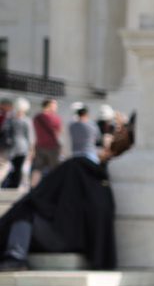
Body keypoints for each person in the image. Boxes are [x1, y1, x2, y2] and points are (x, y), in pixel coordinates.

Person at [0, 114, 133, 272]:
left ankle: (16, 258)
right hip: (82, 243)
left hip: (62, 239)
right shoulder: (99, 182)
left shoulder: (75, 167)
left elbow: (38, 198)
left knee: (24, 212)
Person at [2, 97, 33, 189]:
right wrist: (31, 149)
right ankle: (13, 185)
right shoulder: (26, 120)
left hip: (11, 147)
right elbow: (29, 136)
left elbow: (4, 130)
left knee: (10, 167)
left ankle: (10, 184)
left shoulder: (10, 119)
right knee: (17, 168)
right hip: (21, 147)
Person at [32, 97, 63, 182]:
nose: (56, 107)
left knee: (37, 169)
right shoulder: (55, 118)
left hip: (40, 146)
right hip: (52, 147)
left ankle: (33, 189)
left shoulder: (37, 117)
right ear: (50, 105)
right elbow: (57, 132)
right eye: (55, 105)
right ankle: (55, 189)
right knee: (55, 170)